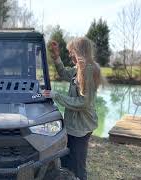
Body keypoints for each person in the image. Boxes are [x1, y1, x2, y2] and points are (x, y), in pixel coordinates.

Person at [43, 37, 104, 180]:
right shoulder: (79, 68)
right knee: (66, 162)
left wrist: (56, 95)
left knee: (77, 165)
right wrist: (57, 57)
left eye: (72, 52)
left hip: (81, 128)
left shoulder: (90, 70)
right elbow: (64, 73)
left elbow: (84, 102)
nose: (70, 55)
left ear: (80, 52)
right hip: (72, 126)